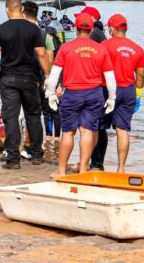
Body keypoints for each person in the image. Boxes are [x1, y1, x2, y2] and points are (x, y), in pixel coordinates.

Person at [44, 12, 116, 177]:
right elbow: (110, 77)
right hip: (94, 94)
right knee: (87, 131)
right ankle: (84, 170)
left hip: (72, 94)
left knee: (68, 132)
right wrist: (112, 97)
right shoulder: (100, 48)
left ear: (76, 29)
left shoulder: (66, 47)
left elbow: (54, 73)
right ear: (91, 30)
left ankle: (61, 171)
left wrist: (50, 94)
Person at [0, 0, 50, 169]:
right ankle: (36, 155)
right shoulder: (33, 29)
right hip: (30, 78)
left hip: (9, 79)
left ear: (7, 10)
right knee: (33, 115)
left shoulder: (1, 29)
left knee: (10, 117)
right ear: (21, 9)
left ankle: (13, 159)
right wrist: (49, 76)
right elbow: (42, 54)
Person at [89, 14, 144, 172]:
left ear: (112, 29)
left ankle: (95, 164)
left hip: (107, 89)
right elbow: (140, 76)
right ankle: (121, 169)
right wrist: (138, 96)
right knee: (122, 130)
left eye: (109, 28)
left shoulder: (104, 46)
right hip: (128, 90)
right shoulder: (138, 49)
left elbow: (96, 68)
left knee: (98, 127)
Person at [41, 25, 63, 140]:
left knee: (49, 112)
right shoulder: (59, 50)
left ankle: (52, 138)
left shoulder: (49, 50)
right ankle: (54, 138)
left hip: (51, 83)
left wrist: (59, 85)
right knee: (52, 111)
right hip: (54, 83)